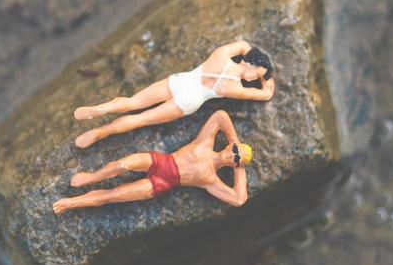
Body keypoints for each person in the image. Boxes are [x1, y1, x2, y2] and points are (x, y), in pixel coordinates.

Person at [72, 40, 274, 149]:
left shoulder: (221, 54)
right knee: (140, 120)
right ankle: (100, 133)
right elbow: (266, 94)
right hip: (189, 101)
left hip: (180, 81)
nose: (256, 76)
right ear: (253, 65)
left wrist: (255, 58)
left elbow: (243, 45)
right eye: (258, 72)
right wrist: (267, 77)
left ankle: (102, 108)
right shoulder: (234, 89)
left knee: (132, 102)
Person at [52, 110, 251, 214]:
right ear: (228, 145)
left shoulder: (211, 180)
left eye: (235, 159)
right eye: (234, 150)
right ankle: (91, 177)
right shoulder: (205, 142)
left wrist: (240, 169)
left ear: (234, 164)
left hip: (162, 184)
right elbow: (220, 115)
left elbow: (239, 199)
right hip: (160, 161)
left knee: (115, 194)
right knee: (123, 164)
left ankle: (71, 203)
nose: (232, 154)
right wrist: (235, 140)